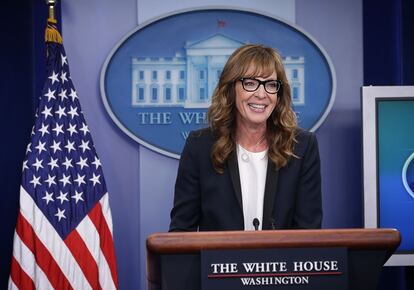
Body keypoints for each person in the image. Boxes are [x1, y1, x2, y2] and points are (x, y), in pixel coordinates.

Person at [169, 44, 322, 232]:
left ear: (279, 94)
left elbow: (310, 234)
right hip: (218, 261)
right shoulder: (200, 146)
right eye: (250, 83)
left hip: (282, 261)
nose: (261, 94)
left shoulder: (302, 146)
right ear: (231, 89)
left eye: (271, 84)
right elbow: (181, 232)